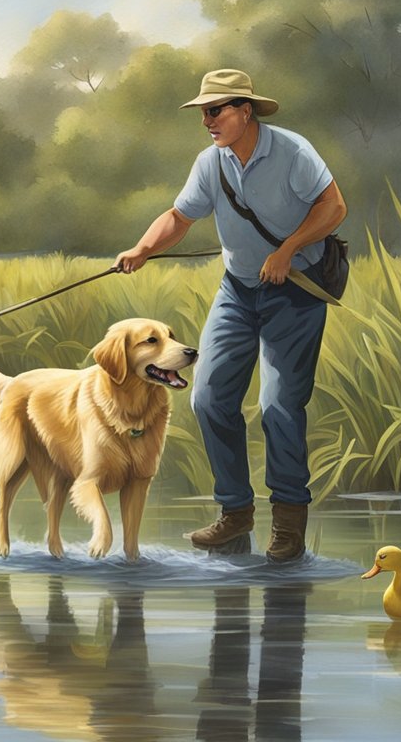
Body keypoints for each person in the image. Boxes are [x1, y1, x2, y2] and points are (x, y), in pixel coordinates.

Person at [114, 68, 347, 562]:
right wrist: (142, 248)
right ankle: (235, 516)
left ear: (245, 110)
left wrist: (288, 250)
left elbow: (333, 207)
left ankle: (288, 524)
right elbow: (179, 217)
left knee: (280, 406)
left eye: (216, 110)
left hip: (296, 294)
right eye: (203, 111)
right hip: (238, 292)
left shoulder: (294, 152)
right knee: (208, 397)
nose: (207, 120)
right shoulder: (210, 162)